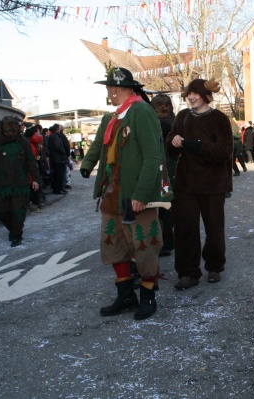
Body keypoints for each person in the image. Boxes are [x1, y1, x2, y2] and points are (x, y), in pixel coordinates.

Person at [80, 66, 172, 321]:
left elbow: (154, 156)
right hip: (112, 193)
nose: (110, 92)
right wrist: (87, 165)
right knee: (114, 245)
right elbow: (100, 144)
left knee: (144, 245)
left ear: (123, 89)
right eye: (109, 87)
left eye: (113, 87)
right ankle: (125, 295)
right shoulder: (111, 117)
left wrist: (142, 194)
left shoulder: (141, 111)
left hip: (135, 193)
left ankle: (147, 295)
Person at [165, 78, 233, 289]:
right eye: (188, 94)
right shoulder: (183, 116)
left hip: (213, 185)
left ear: (206, 96)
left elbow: (225, 151)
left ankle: (214, 267)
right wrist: (174, 142)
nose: (191, 97)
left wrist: (199, 146)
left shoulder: (219, 119)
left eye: (195, 93)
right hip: (186, 184)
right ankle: (188, 272)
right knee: (185, 229)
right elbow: (170, 147)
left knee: (214, 228)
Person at [0, 116, 41, 247]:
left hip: (20, 183)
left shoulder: (23, 142)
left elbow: (31, 162)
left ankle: (16, 234)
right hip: (2, 184)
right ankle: (12, 229)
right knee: (2, 211)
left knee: (18, 211)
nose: (11, 133)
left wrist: (36, 179)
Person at [151, 93, 176, 257]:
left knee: (156, 207)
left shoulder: (153, 122)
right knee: (167, 207)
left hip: (158, 167)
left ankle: (160, 242)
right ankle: (168, 242)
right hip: (171, 167)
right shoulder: (175, 121)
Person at [47, 124, 68, 195]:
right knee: (59, 175)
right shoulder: (55, 136)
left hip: (56, 158)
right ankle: (58, 189)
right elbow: (58, 147)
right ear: (57, 129)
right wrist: (63, 152)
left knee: (57, 174)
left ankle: (57, 189)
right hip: (58, 159)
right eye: (59, 128)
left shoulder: (52, 136)